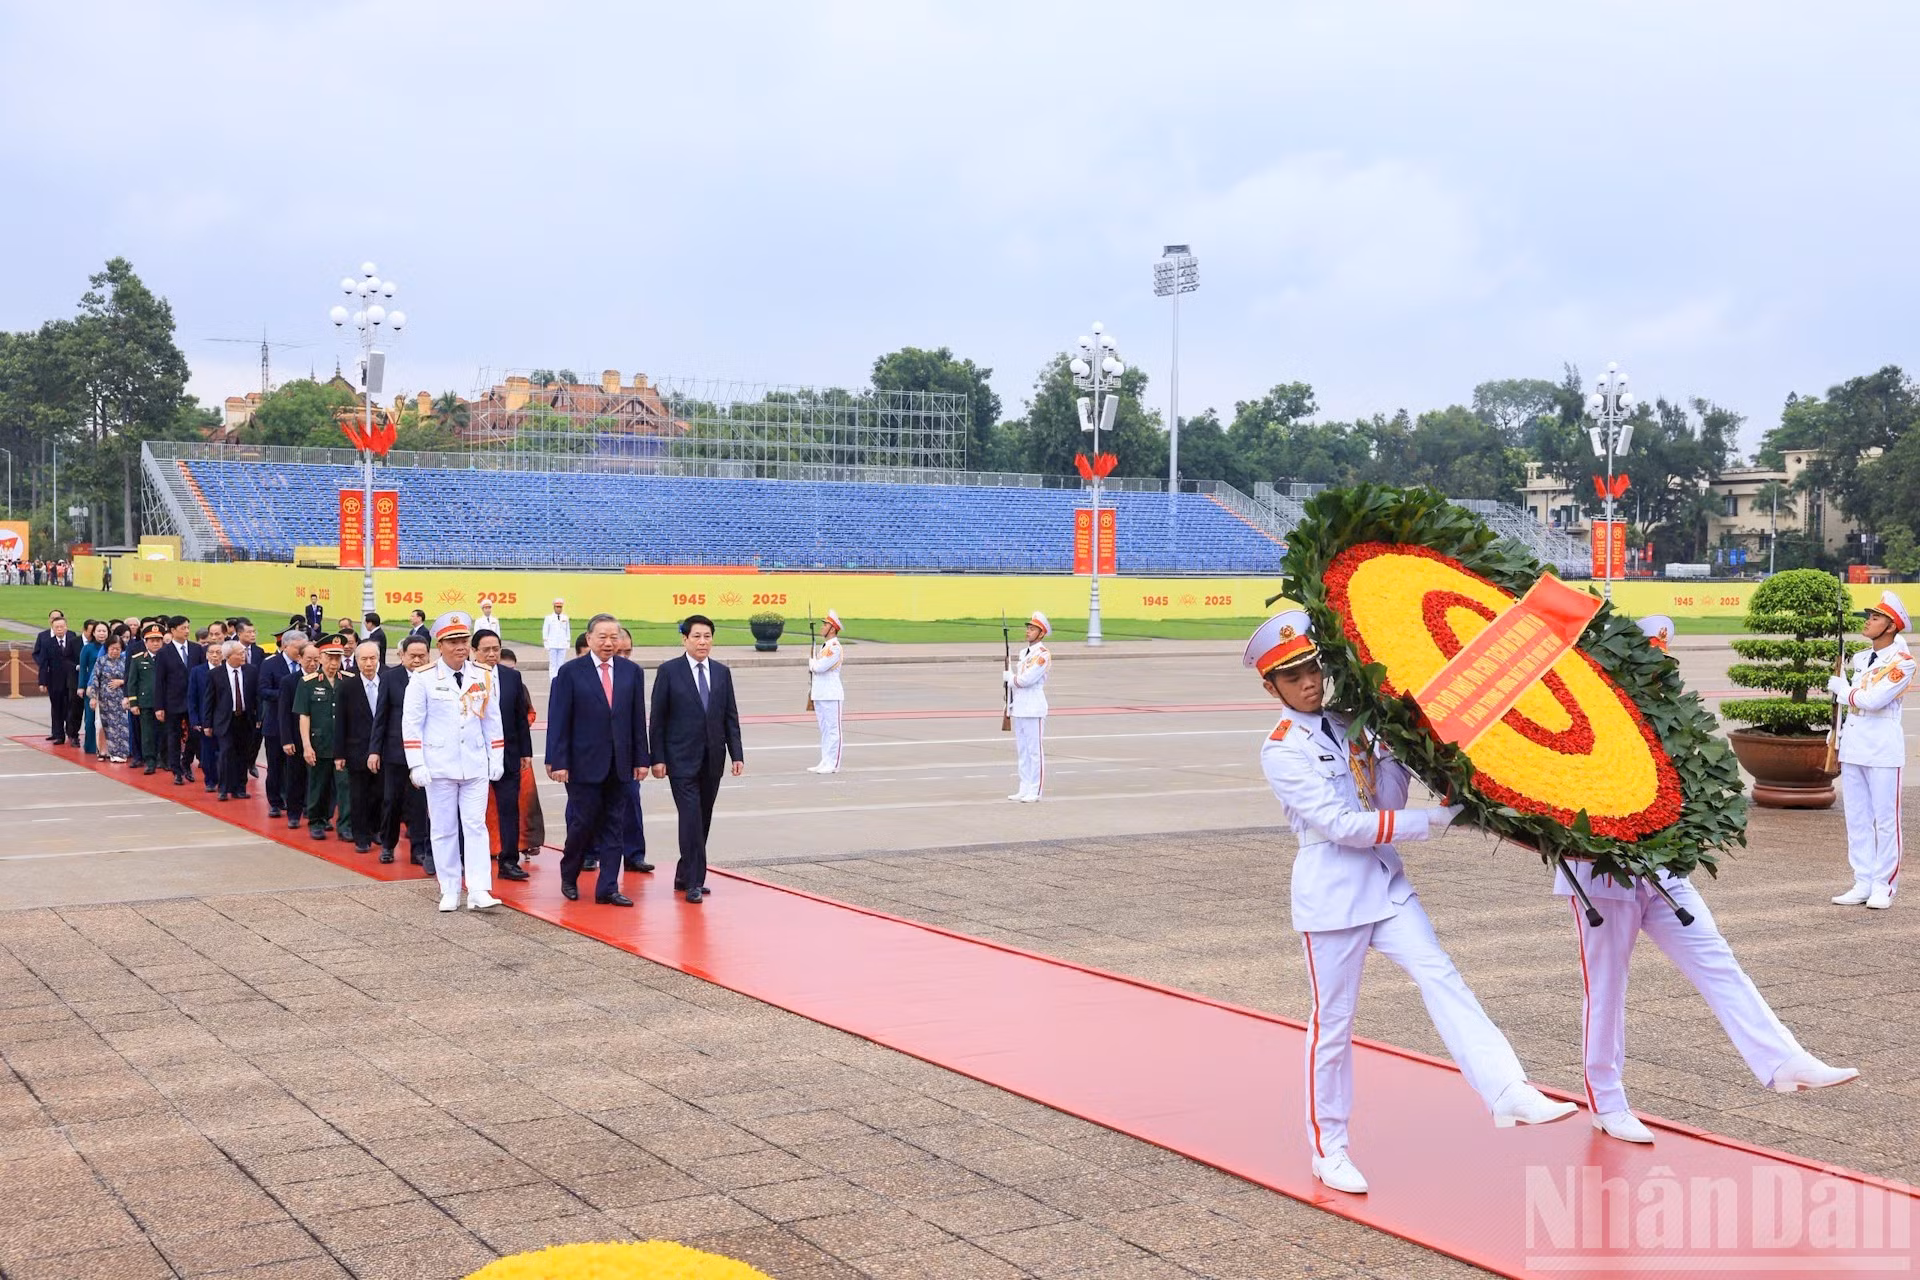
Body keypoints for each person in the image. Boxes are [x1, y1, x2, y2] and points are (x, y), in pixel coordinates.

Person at [1246, 611, 1575, 1196]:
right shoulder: (1280, 750)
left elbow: (1384, 797)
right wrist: (1439, 818)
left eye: (1312, 668)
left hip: (1385, 881)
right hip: (1333, 895)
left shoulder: (1352, 723)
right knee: (1334, 1026)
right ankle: (1331, 1148)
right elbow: (1341, 823)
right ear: (1270, 686)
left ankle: (1508, 1089)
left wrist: (1396, 751)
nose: (1308, 682)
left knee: (1442, 977)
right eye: (1292, 676)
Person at [402, 612, 503, 911]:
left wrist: (495, 756)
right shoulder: (423, 679)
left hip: (474, 764)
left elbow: (492, 721)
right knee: (444, 828)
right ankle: (449, 888)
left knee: (475, 826)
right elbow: (412, 724)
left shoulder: (482, 675)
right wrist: (416, 763)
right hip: (440, 764)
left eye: (463, 640)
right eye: (453, 641)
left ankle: (479, 889)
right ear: (440, 645)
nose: (460, 647)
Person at [548, 614, 651, 904]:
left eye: (613, 637)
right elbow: (560, 720)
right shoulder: (570, 672)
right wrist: (560, 761)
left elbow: (636, 719)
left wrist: (641, 759)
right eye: (602, 637)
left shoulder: (632, 672)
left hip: (620, 764)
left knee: (614, 825)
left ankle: (608, 887)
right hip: (583, 764)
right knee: (582, 824)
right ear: (589, 638)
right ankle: (569, 875)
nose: (608, 643)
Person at [1828, 590, 1912, 910]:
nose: (1868, 621)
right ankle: (1862, 880)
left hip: (1882, 748)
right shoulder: (1860, 658)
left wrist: (1843, 691)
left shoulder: (1902, 663)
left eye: (1875, 617)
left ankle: (1884, 885)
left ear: (1890, 626)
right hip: (1854, 745)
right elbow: (1853, 709)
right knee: (1858, 818)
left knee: (1886, 820)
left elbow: (1873, 701)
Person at [649, 614, 743, 904]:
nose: (703, 642)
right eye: (697, 637)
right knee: (689, 819)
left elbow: (730, 716)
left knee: (702, 820)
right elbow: (658, 719)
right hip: (680, 760)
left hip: (712, 759)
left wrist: (736, 753)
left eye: (707, 636)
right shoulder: (669, 671)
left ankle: (683, 872)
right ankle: (694, 881)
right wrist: (658, 757)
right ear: (685, 639)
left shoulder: (721, 672)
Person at [474, 628, 533, 882]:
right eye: (485, 650)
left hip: (507, 754)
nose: (491, 654)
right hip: (474, 755)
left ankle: (509, 861)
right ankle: (470, 858)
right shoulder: (465, 677)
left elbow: (520, 716)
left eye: (495, 649)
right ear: (474, 652)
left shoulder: (511, 677)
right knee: (472, 811)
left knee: (509, 808)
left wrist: (525, 752)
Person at [376, 634, 433, 869]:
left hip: (424, 753)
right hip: (395, 752)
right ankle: (388, 844)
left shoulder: (433, 678)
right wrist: (374, 750)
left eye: (422, 656)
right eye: (413, 656)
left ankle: (418, 850)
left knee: (418, 803)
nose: (418, 660)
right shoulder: (390, 678)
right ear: (402, 656)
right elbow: (381, 716)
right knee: (392, 800)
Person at [338, 640, 392, 854]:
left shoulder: (388, 679)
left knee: (380, 792)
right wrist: (339, 753)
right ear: (357, 661)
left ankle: (376, 829)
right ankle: (361, 836)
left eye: (373, 659)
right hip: (356, 748)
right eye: (364, 659)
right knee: (359, 794)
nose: (369, 664)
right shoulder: (347, 685)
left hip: (384, 748)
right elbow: (340, 721)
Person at [294, 636, 347, 840]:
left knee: (344, 786)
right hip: (319, 742)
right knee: (318, 785)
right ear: (321, 658)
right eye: (330, 657)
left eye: (338, 658)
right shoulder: (307, 683)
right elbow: (304, 715)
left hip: (342, 744)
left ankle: (345, 824)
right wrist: (306, 745)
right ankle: (316, 821)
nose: (334, 663)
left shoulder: (348, 680)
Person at [497, 647, 546, 859]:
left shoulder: (518, 684)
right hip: (492, 752)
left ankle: (526, 843)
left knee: (523, 803)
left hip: (516, 753)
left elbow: (529, 713)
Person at [1005, 611, 1051, 802]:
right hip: (1021, 707)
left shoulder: (1043, 655)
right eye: (1028, 628)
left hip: (1034, 707)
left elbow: (1026, 680)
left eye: (1032, 629)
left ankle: (1035, 790)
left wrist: (1011, 679)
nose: (1028, 632)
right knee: (1022, 750)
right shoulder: (1024, 653)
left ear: (1041, 633)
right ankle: (1024, 787)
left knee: (1034, 751)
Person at [260, 630, 305, 818]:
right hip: (275, 723)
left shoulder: (308, 665)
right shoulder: (270, 664)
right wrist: (286, 695)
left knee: (296, 768)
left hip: (300, 725)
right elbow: (263, 691)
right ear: (286, 646)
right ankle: (275, 802)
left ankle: (296, 800)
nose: (301, 651)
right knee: (275, 765)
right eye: (298, 648)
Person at [208, 641, 260, 801]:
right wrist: (206, 723)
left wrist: (258, 717)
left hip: (245, 719)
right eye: (239, 653)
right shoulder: (216, 674)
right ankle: (223, 788)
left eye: (243, 652)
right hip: (225, 720)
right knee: (226, 753)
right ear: (229, 656)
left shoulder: (251, 671)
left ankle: (240, 788)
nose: (243, 656)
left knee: (242, 754)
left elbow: (256, 696)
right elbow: (209, 700)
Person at [155, 616, 202, 784]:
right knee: (173, 736)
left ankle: (186, 762)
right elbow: (159, 681)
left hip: (194, 702)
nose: (187, 631)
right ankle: (176, 771)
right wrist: (159, 706)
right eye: (183, 628)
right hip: (172, 701)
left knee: (195, 734)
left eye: (188, 627)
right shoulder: (163, 652)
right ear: (173, 630)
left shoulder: (197, 650)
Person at [32, 610, 82, 746]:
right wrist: (42, 681)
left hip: (71, 679)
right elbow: (43, 663)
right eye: (57, 627)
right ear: (53, 628)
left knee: (72, 706)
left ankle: (72, 734)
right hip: (55, 679)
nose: (60, 629)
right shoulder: (48, 642)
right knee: (58, 707)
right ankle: (59, 735)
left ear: (66, 626)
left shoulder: (73, 638)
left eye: (62, 627)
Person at [807, 609, 846, 775]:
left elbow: (819, 667)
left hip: (831, 694)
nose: (822, 627)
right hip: (821, 693)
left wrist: (811, 662)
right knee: (824, 730)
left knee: (833, 730)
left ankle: (833, 764)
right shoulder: (825, 646)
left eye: (825, 625)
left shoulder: (834, 647)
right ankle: (825, 761)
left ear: (833, 628)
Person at [88, 633, 131, 763]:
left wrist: (121, 681)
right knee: (103, 725)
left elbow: (132, 677)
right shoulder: (101, 661)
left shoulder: (126, 661)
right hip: (104, 699)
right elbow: (95, 679)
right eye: (112, 648)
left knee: (121, 726)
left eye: (117, 649)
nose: (114, 651)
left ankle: (120, 753)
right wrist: (93, 697)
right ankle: (104, 751)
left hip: (121, 698)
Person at [126, 624, 164, 773]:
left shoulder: (167, 658)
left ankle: (163, 758)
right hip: (146, 702)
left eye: (158, 640)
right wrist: (133, 702)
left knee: (164, 732)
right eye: (152, 640)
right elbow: (132, 681)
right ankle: (150, 760)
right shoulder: (138, 659)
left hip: (164, 702)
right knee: (147, 733)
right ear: (146, 642)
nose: (155, 643)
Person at [78, 621, 106, 758]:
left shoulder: (111, 647)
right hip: (91, 686)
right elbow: (83, 668)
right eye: (99, 631)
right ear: (93, 633)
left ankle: (105, 747)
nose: (102, 633)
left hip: (107, 687)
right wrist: (81, 687)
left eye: (104, 631)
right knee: (90, 718)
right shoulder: (88, 648)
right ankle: (90, 746)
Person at [542, 598, 571, 685]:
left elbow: (567, 630)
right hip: (552, 643)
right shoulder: (549, 618)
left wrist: (568, 642)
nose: (559, 609)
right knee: (553, 663)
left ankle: (560, 679)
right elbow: (545, 630)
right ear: (554, 607)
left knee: (561, 663)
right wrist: (546, 643)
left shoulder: (565, 617)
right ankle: (553, 680)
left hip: (562, 643)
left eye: (560, 607)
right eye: (557, 607)